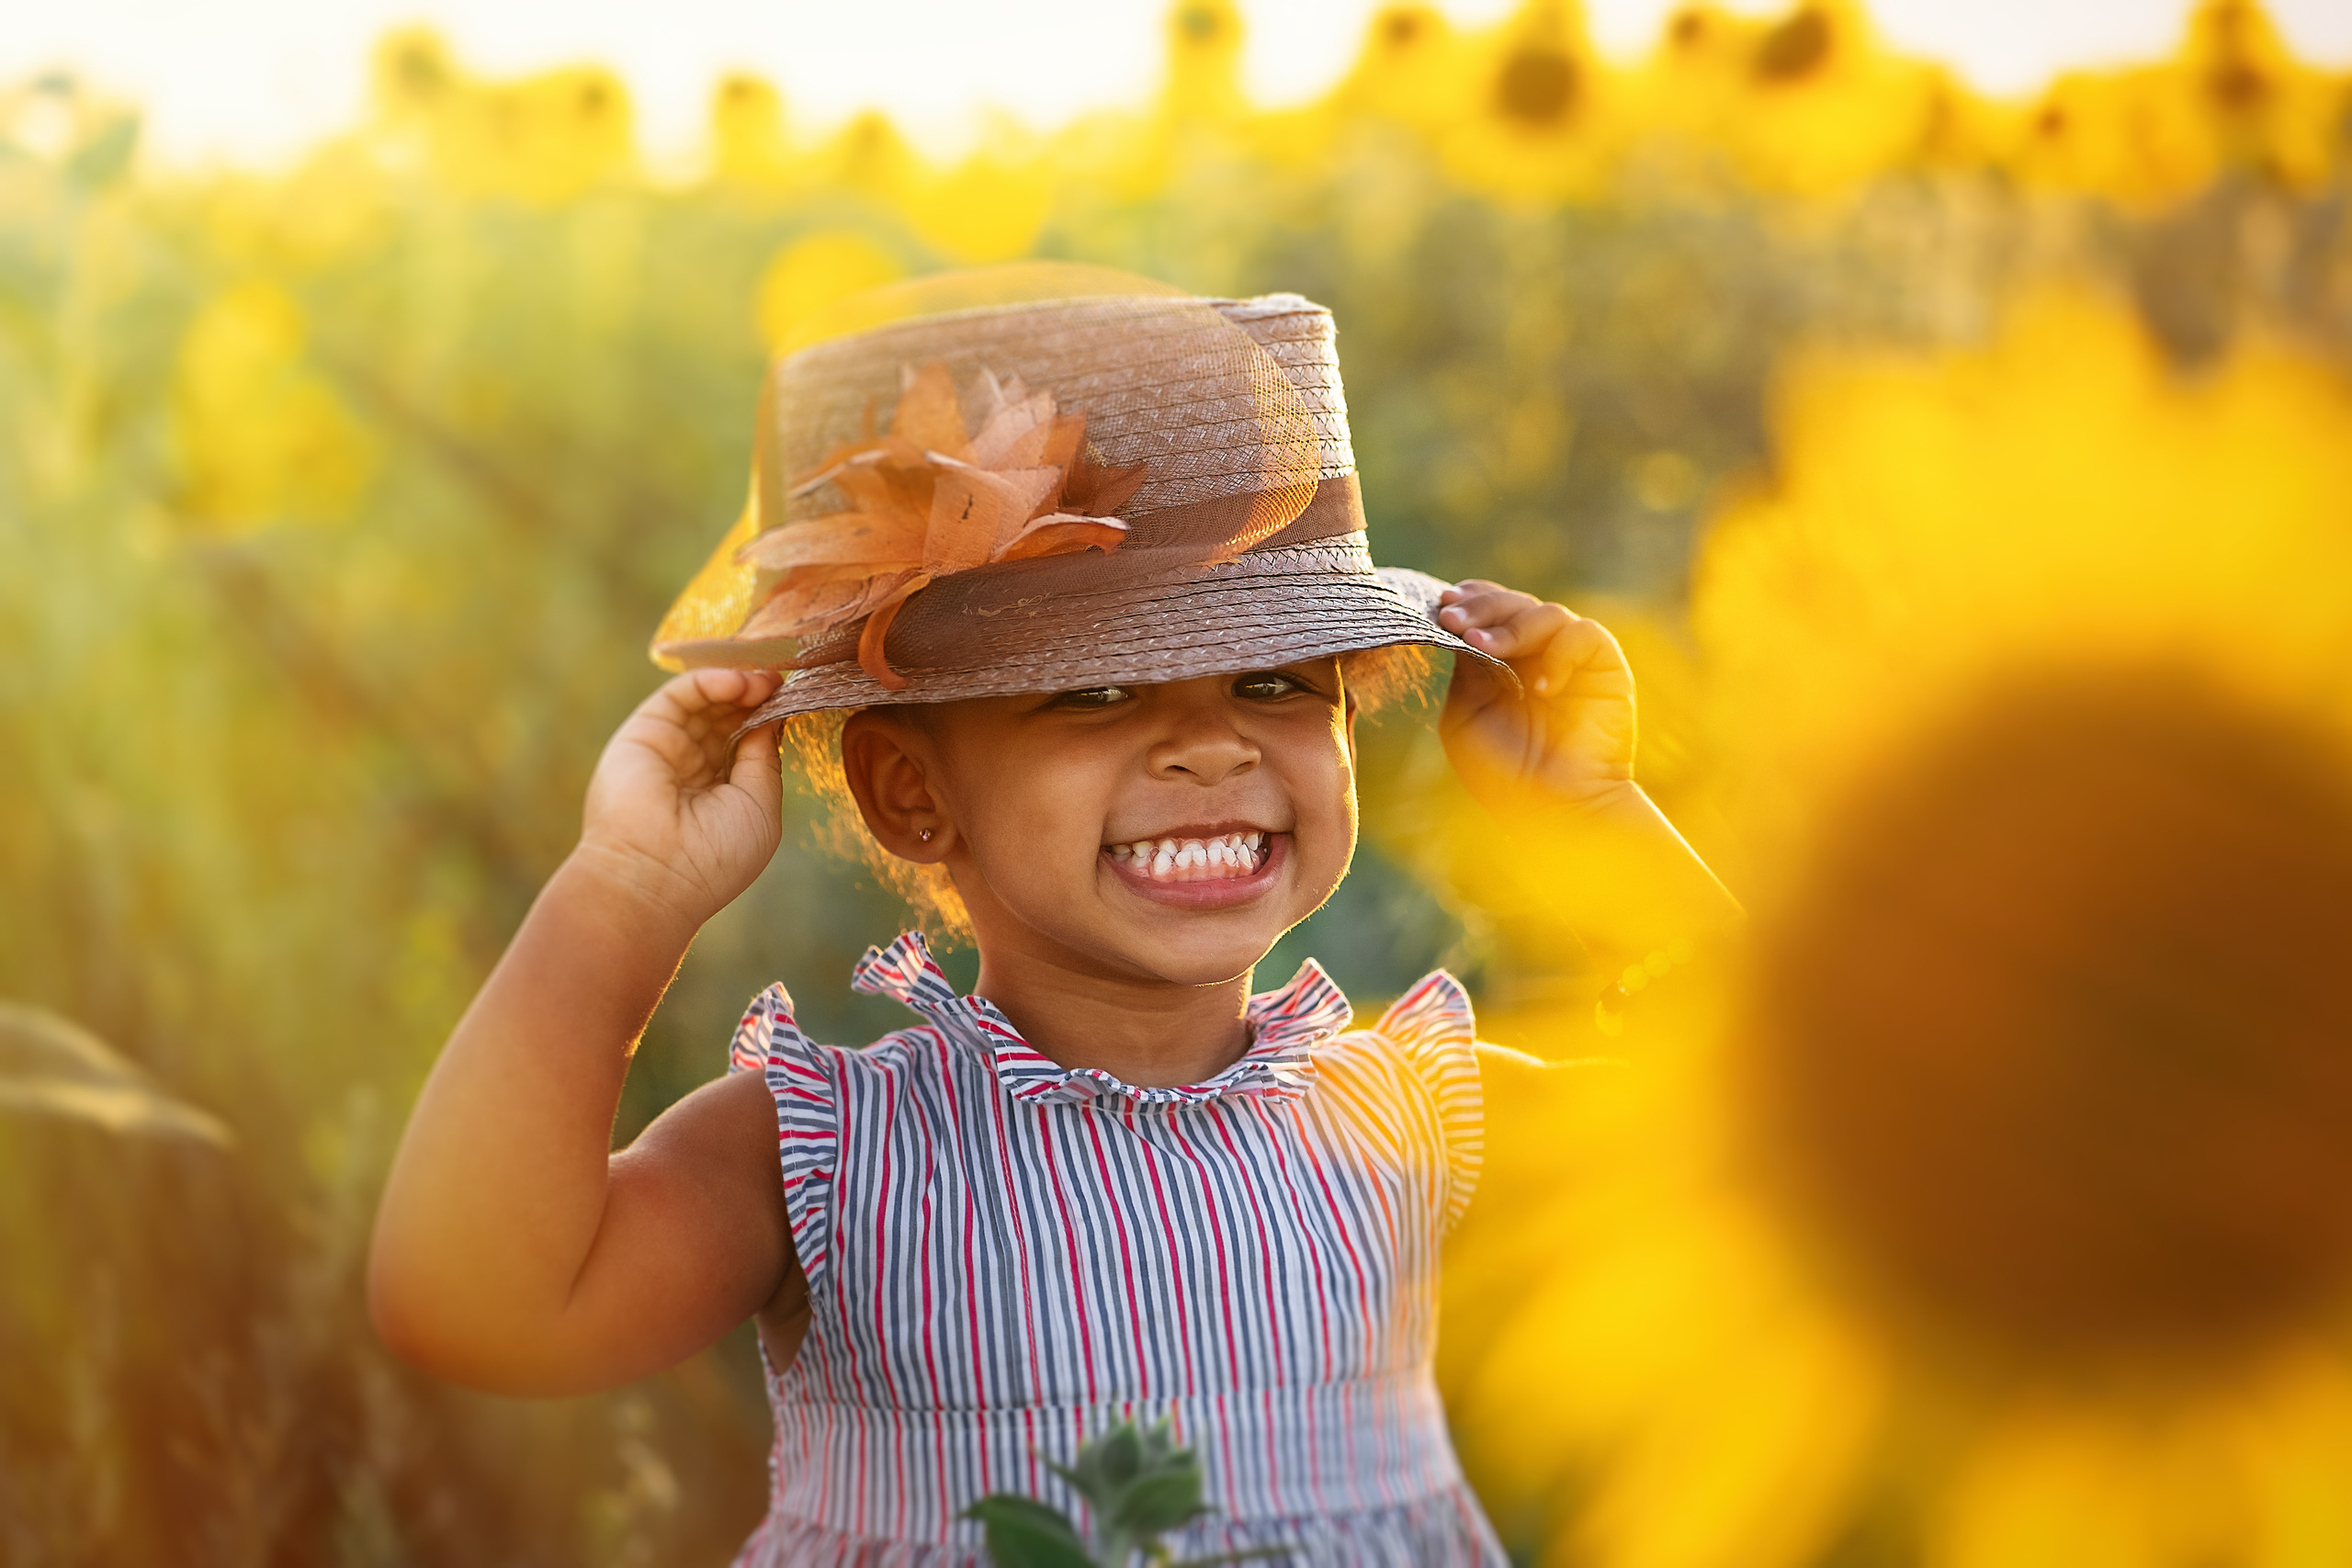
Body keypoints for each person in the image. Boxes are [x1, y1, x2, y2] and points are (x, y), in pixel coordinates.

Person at [368, 272, 1739, 1565]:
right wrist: (627, 888)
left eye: (1275, 683)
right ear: (911, 792)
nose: (1211, 745)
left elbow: (1791, 1139)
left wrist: (1598, 822)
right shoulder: (831, 1157)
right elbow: (475, 1302)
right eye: (1092, 693)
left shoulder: (1411, 1121)